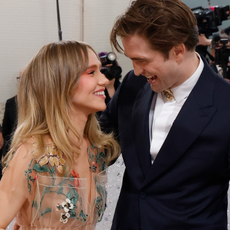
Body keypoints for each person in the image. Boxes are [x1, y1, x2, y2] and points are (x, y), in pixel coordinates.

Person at [100, 0, 230, 229]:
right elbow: (102, 144)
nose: (136, 70)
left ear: (178, 50)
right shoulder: (132, 84)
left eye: (142, 60)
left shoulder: (225, 102)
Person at [0, 40, 120, 230]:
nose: (104, 80)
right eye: (91, 72)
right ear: (61, 82)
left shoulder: (95, 148)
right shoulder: (32, 153)